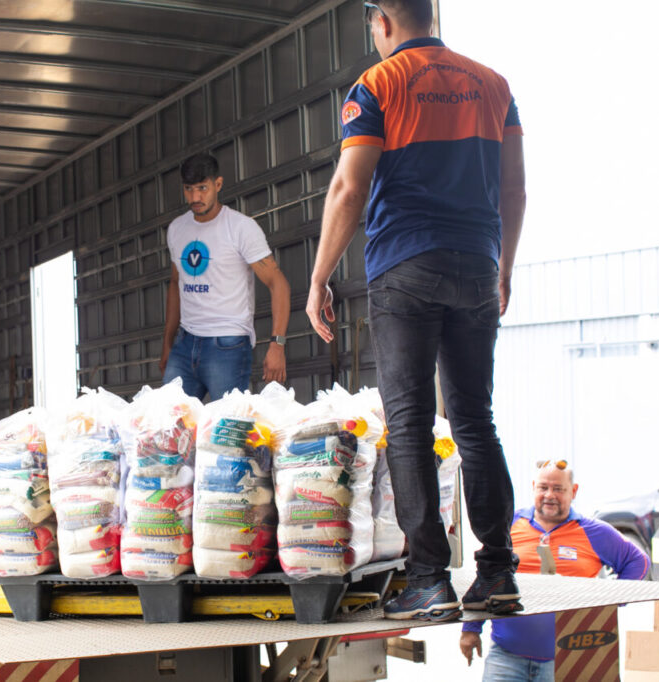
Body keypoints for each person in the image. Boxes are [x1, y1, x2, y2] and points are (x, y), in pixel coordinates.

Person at [305, 0, 527, 622]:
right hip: (477, 264)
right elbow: (514, 188)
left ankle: (429, 580)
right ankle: (498, 571)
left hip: (406, 266)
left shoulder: (378, 84)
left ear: (382, 21)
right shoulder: (495, 85)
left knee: (408, 423)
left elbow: (350, 187)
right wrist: (503, 266)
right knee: (475, 420)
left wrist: (319, 277)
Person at [460, 460, 650, 680]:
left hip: (569, 658)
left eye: (558, 489)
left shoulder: (594, 532)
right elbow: (486, 576)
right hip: (506, 657)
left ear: (573, 491)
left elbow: (638, 561)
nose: (549, 495)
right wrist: (471, 628)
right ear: (534, 487)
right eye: (543, 487)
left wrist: (611, 600)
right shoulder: (508, 525)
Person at [160, 152, 291, 400]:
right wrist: (167, 344)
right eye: (189, 189)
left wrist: (277, 344)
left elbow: (278, 283)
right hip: (185, 343)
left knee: (227, 423)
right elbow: (176, 284)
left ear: (218, 184)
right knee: (169, 420)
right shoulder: (177, 229)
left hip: (228, 344)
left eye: (202, 188)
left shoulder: (240, 228)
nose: (195, 197)